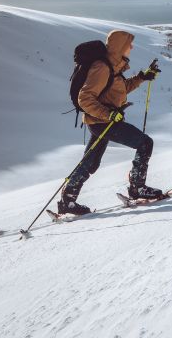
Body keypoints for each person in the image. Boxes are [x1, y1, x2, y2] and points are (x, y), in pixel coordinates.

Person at [59, 29, 161, 215]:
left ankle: (68, 200)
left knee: (91, 162)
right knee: (145, 143)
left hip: (100, 121)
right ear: (119, 46)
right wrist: (109, 114)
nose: (131, 47)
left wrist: (142, 77)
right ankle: (137, 188)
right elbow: (85, 98)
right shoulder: (103, 67)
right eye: (129, 44)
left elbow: (118, 90)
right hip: (103, 122)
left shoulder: (113, 66)